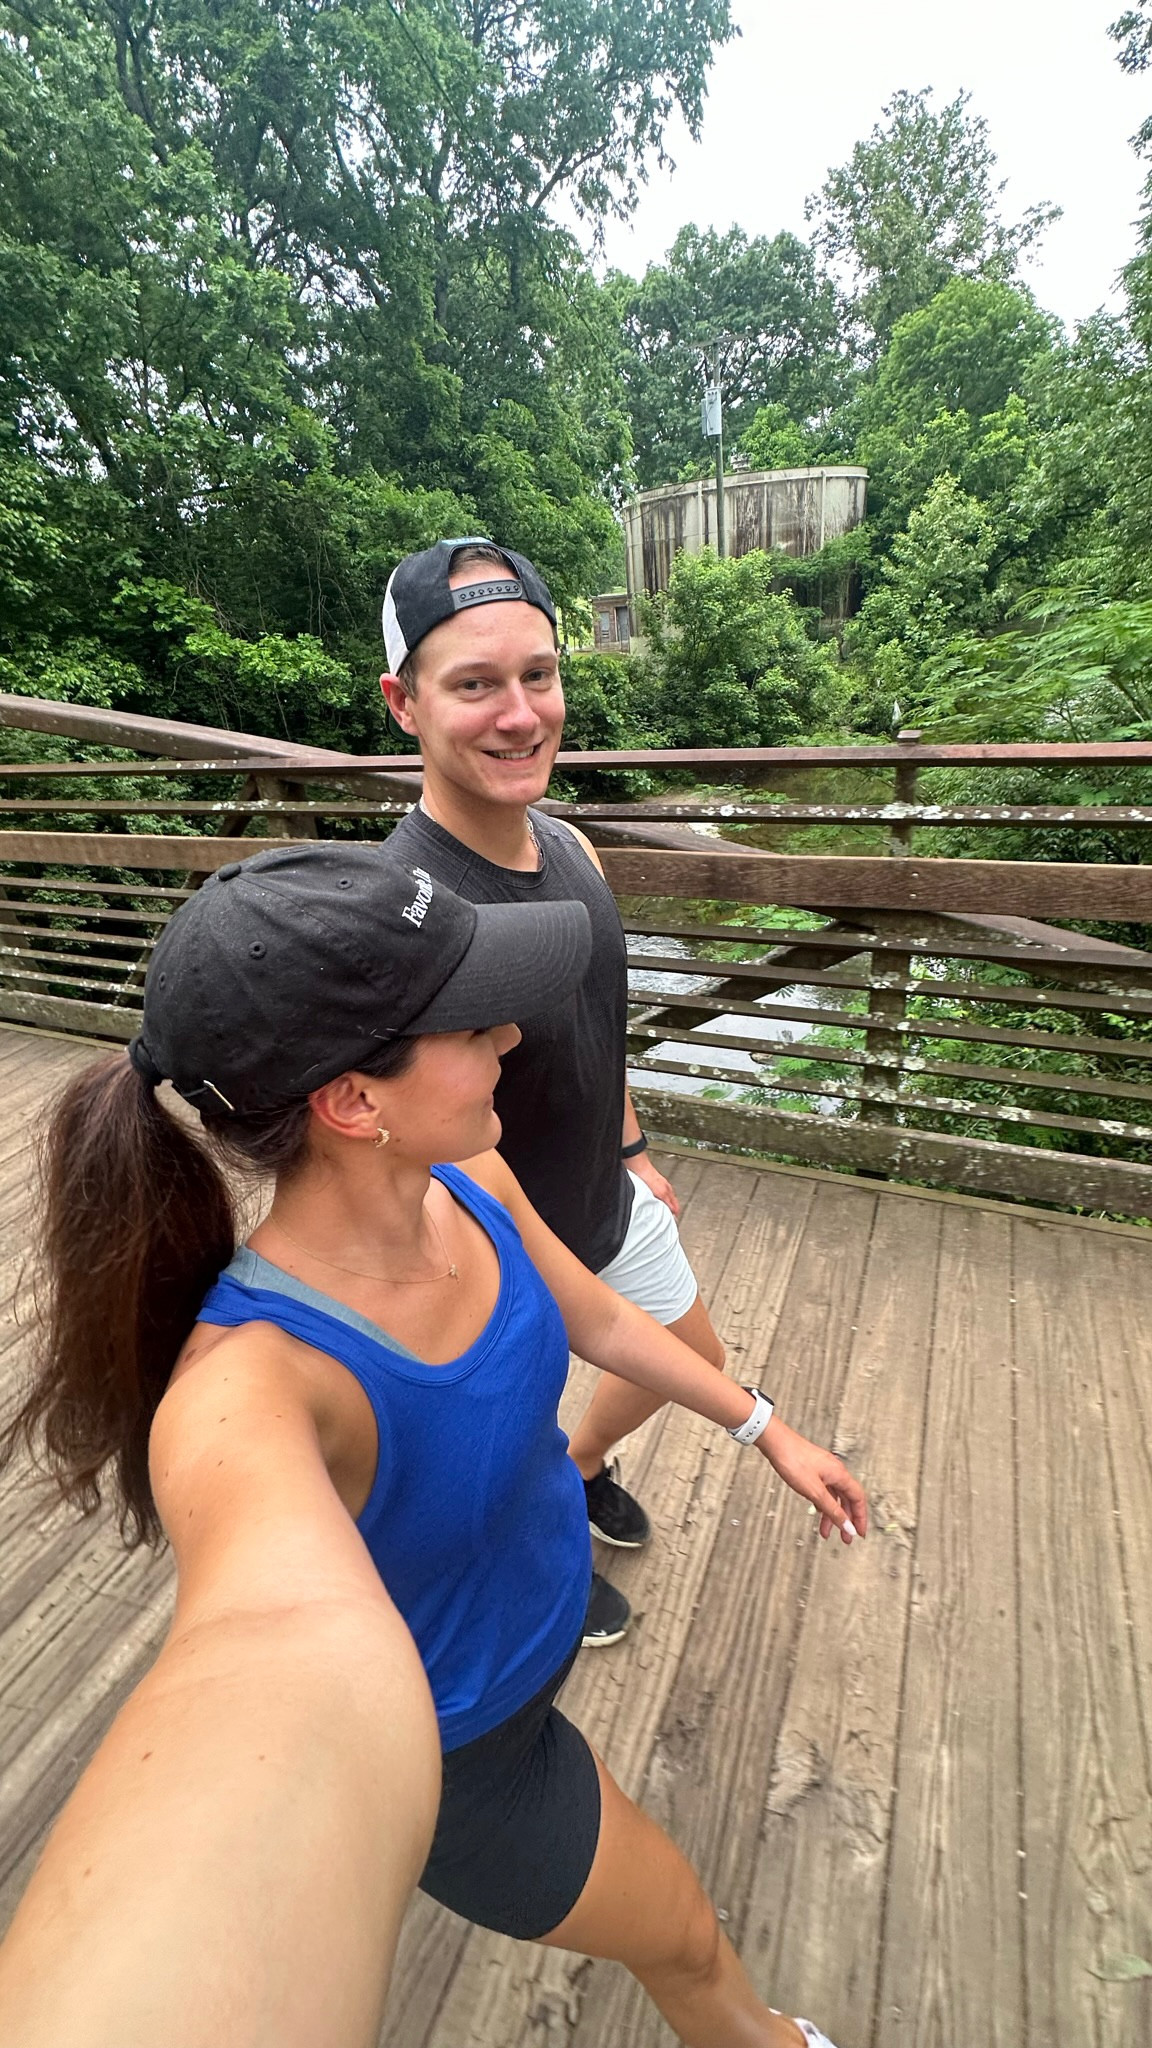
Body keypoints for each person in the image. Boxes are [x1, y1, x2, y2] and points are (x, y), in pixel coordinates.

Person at [0, 842, 865, 2048]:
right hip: (475, 1755)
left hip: (543, 1619)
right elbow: (263, 1648)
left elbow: (600, 1312)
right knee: (686, 1938)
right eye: (470, 1018)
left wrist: (764, 1422)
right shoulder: (250, 1391)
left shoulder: (464, 1172)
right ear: (354, 1100)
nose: (511, 1036)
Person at [381, 538, 724, 1646]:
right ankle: (543, 1541)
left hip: (599, 1195)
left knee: (695, 1359)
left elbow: (596, 1022)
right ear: (404, 703)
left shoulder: (571, 844)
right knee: (506, 1446)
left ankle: (578, 1469)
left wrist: (625, 1145)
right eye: (474, 683)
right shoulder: (405, 912)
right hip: (492, 1254)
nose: (520, 713)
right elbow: (416, 1146)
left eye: (538, 674)